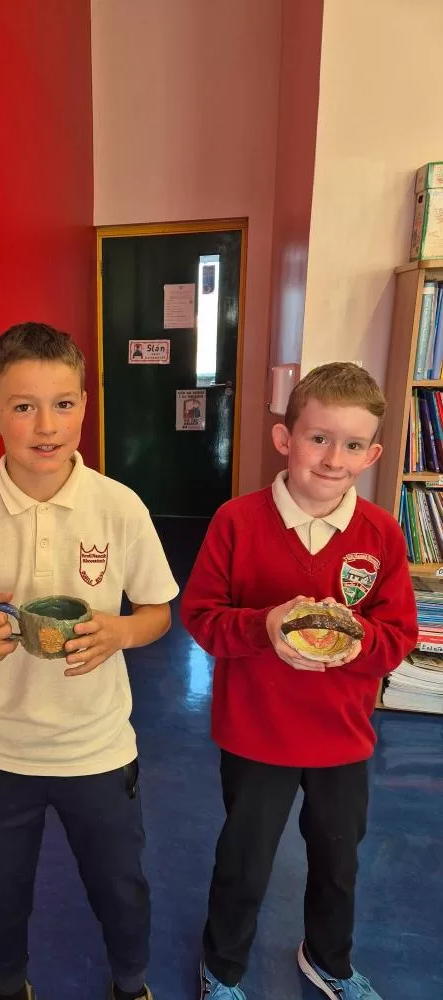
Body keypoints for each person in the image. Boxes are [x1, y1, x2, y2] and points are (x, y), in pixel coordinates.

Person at [0, 322, 179, 1000]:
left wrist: (120, 632)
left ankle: (131, 983)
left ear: (84, 406)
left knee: (121, 886)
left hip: (97, 747)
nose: (47, 426)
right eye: (23, 406)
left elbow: (157, 612)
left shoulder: (118, 507)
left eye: (64, 404)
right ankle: (9, 985)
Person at [181, 362, 418, 1000]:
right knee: (245, 860)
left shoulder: (381, 534)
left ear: (372, 454)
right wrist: (266, 626)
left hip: (341, 734)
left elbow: (398, 637)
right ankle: (222, 970)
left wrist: (357, 640)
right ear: (285, 438)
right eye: (318, 438)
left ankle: (328, 960)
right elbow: (201, 619)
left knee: (339, 860)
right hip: (256, 731)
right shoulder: (237, 521)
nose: (333, 458)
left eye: (352, 444)